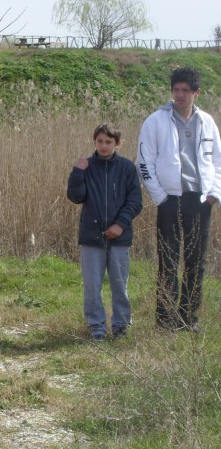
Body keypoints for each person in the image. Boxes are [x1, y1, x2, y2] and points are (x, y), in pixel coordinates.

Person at [136, 67, 221, 333]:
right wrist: (161, 197)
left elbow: (217, 161)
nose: (180, 95)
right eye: (176, 90)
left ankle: (188, 319)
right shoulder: (155, 121)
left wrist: (213, 195)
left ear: (197, 93)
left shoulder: (207, 122)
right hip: (170, 200)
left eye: (186, 90)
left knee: (196, 261)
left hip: (200, 200)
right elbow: (144, 163)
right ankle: (165, 320)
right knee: (168, 260)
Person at [67, 124, 142, 340]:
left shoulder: (127, 168)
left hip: (120, 238)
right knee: (92, 286)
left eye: (108, 142)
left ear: (118, 144)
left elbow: (135, 202)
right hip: (92, 236)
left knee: (120, 285)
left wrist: (120, 224)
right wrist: (77, 172)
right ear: (94, 141)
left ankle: (121, 327)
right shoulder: (86, 166)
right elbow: (75, 197)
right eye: (100, 141)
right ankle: (96, 327)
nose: (103, 146)